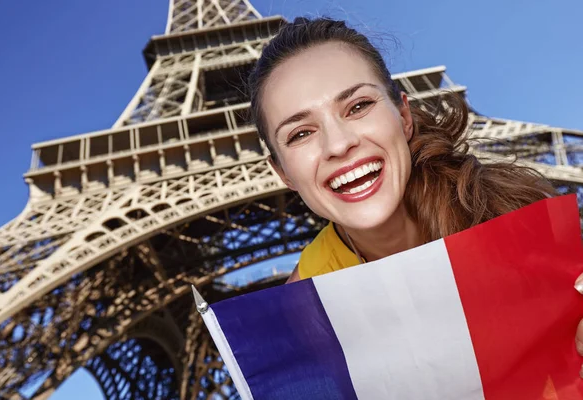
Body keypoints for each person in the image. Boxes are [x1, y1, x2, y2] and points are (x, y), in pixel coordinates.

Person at [247, 17, 583, 376]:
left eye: (358, 106)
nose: (339, 144)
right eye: (300, 133)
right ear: (282, 173)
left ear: (404, 116)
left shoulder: (526, 225)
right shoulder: (303, 306)